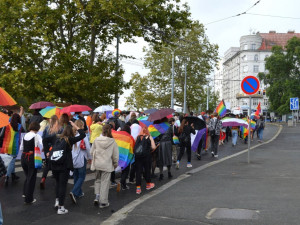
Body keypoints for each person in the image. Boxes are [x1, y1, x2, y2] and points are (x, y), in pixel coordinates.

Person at [43, 121, 85, 215]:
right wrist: (75, 125)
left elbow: (45, 140)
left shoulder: (57, 138)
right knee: (63, 186)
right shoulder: (69, 139)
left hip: (54, 164)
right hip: (64, 166)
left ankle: (57, 201)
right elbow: (82, 135)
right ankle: (61, 207)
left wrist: (47, 151)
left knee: (57, 184)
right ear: (71, 132)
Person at [90, 125, 119, 208]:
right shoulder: (112, 141)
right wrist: (115, 163)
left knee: (98, 180)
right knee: (105, 183)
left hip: (97, 163)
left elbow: (92, 152)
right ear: (110, 131)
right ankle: (103, 202)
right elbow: (115, 155)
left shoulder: (96, 140)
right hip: (107, 164)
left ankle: (97, 196)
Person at [21, 122, 43, 204]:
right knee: (32, 178)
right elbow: (42, 144)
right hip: (31, 157)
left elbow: (21, 148)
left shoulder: (25, 135)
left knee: (27, 176)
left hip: (24, 157)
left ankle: (25, 193)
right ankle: (29, 199)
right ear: (37, 128)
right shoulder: (36, 136)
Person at [70, 120, 91, 203]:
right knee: (81, 176)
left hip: (73, 158)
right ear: (80, 126)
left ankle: (78, 193)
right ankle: (74, 191)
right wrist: (90, 157)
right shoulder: (83, 135)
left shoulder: (72, 134)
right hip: (82, 158)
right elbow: (88, 148)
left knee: (76, 176)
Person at [2, 107, 24, 185]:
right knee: (12, 161)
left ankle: (13, 175)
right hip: (14, 147)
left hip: (6, 145)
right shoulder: (19, 126)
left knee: (11, 161)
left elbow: (10, 118)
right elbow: (18, 117)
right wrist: (21, 111)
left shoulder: (7, 125)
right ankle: (7, 177)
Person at [40, 115, 61, 189]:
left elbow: (43, 138)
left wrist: (44, 147)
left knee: (47, 164)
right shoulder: (60, 128)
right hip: (55, 148)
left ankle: (43, 178)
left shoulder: (47, 128)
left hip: (47, 148)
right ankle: (57, 181)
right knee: (56, 163)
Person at [134, 127, 156, 194]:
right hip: (146, 156)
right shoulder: (149, 137)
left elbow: (135, 146)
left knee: (138, 171)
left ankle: (138, 188)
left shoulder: (137, 137)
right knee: (147, 170)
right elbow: (153, 147)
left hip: (138, 157)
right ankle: (148, 184)